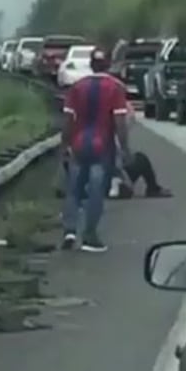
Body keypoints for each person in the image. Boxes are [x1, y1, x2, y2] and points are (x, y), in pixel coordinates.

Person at [59, 47, 131, 253]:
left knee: (74, 189)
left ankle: (69, 231)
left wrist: (65, 145)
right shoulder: (115, 88)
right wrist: (125, 149)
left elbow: (68, 121)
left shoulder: (77, 87)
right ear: (108, 65)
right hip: (102, 146)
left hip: (78, 144)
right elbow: (120, 122)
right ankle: (89, 235)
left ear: (91, 65)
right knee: (96, 191)